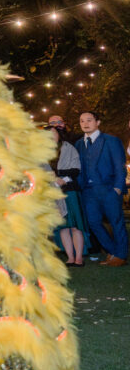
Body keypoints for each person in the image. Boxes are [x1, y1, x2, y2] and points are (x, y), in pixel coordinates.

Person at [74, 111, 128, 266]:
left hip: (109, 189)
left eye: (89, 120)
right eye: (82, 121)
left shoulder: (111, 141)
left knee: (116, 222)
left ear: (98, 122)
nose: (85, 123)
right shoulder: (78, 144)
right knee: (93, 223)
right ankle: (113, 252)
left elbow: (120, 166)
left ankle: (121, 256)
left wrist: (117, 188)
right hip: (88, 192)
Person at [46, 126, 86, 266]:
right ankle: (70, 257)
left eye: (53, 133)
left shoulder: (69, 148)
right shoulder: (42, 152)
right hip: (53, 192)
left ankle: (79, 257)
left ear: (59, 134)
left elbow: (76, 169)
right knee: (63, 226)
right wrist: (52, 178)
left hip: (70, 190)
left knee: (75, 225)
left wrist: (63, 178)